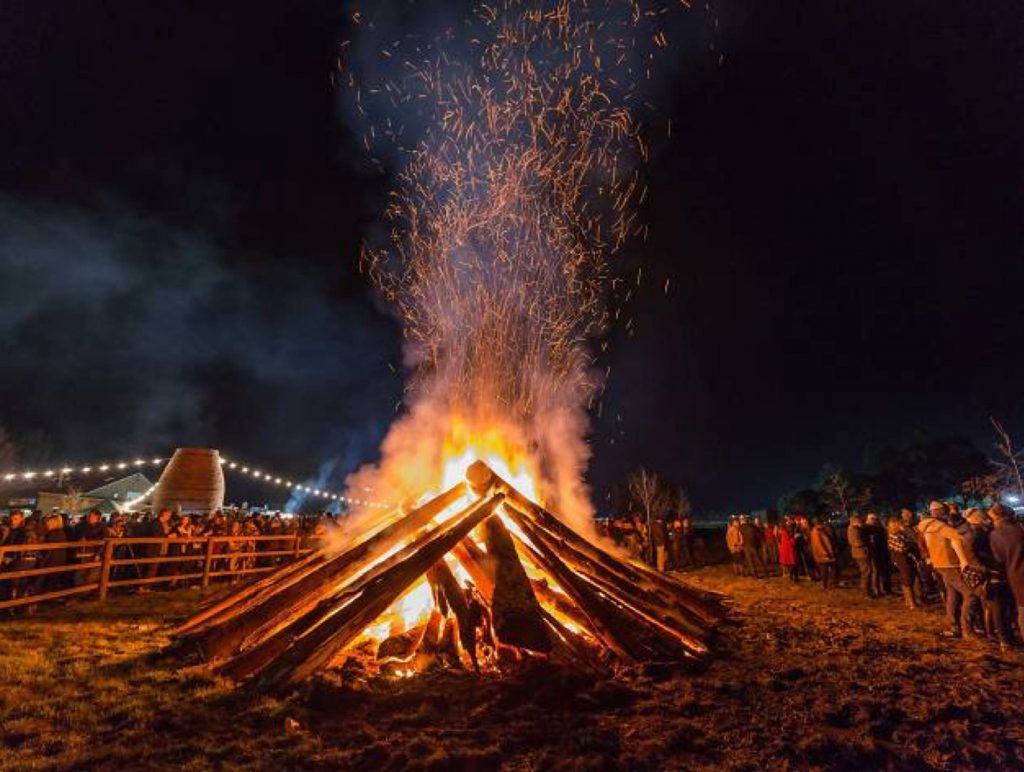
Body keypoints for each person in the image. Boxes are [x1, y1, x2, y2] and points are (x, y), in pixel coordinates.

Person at [918, 501, 974, 639]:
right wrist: (964, 560)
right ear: (941, 511)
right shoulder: (941, 527)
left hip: (939, 564)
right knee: (970, 595)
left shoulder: (924, 526)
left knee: (952, 595)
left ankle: (953, 627)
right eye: (945, 510)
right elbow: (957, 538)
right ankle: (967, 629)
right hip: (950, 565)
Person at [988, 503, 1024, 646]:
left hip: (1015, 575)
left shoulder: (994, 534)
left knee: (1022, 609)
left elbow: (999, 558)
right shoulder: (1020, 528)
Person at [887, 516, 922, 609]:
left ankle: (910, 601)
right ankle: (911, 602)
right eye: (899, 524)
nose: (901, 525)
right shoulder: (893, 536)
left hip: (906, 558)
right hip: (902, 560)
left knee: (910, 578)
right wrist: (911, 546)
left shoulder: (900, 534)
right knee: (907, 579)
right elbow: (903, 548)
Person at [72, 509, 107, 587]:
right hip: (81, 552)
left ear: (97, 517)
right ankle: (78, 589)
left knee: (91, 573)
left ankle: (87, 590)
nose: (89, 517)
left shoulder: (102, 527)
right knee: (79, 572)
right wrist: (79, 540)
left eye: (92, 516)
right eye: (89, 515)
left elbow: (102, 541)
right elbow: (75, 536)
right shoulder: (80, 525)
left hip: (92, 552)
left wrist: (98, 554)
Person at [848, 514, 875, 598]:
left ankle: (867, 590)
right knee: (866, 571)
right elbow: (856, 542)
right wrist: (867, 543)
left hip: (862, 553)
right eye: (859, 521)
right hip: (861, 553)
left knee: (867, 571)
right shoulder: (853, 530)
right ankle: (865, 591)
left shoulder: (857, 529)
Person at [810, 518, 839, 588]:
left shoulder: (821, 531)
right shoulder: (816, 532)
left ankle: (830, 582)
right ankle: (825, 584)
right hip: (823, 554)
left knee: (832, 567)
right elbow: (818, 544)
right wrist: (825, 553)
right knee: (824, 569)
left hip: (826, 553)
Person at [738, 514, 767, 579]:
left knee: (750, 561)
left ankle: (755, 575)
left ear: (742, 521)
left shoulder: (740, 529)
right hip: (753, 546)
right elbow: (758, 536)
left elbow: (741, 539)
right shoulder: (752, 527)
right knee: (759, 560)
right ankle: (765, 573)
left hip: (746, 546)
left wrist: (740, 544)